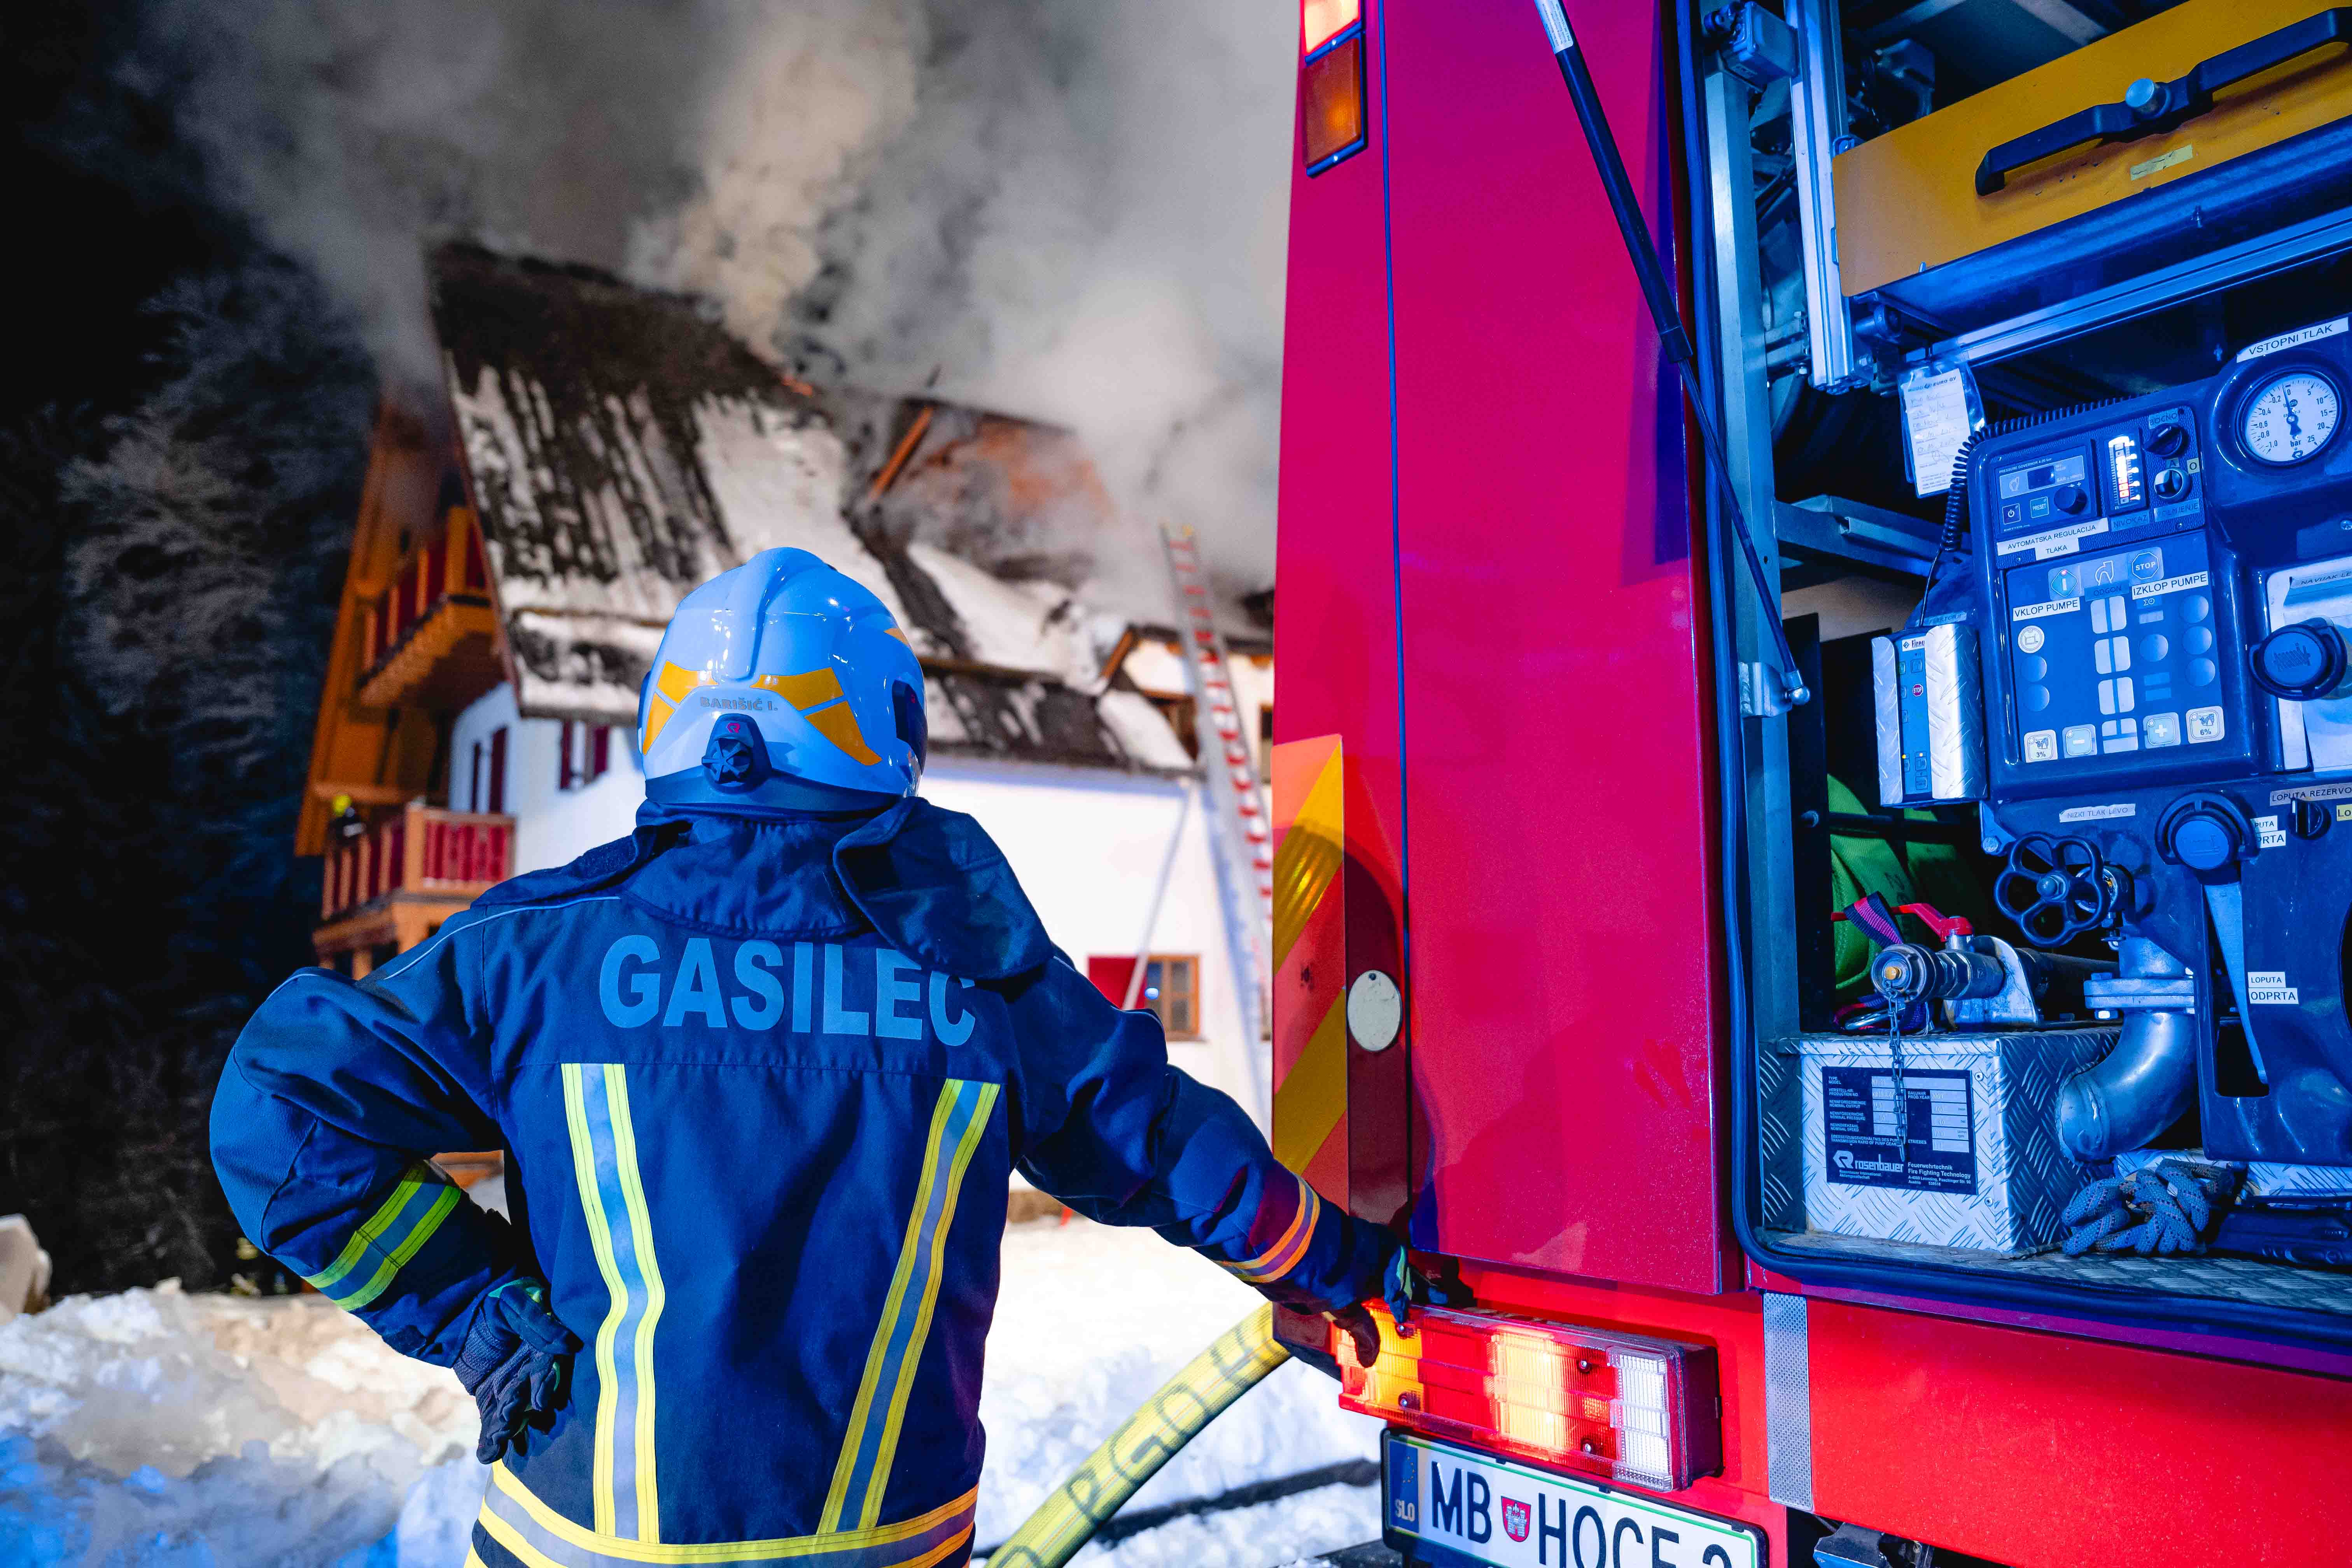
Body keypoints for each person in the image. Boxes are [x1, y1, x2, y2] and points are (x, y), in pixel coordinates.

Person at [212, 547, 1408, 1568]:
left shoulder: (537, 953)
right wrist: (1337, 1266)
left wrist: (473, 1308)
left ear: (670, 722)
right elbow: (1157, 1144)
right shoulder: (975, 963)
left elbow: (275, 1114)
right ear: (882, 728)